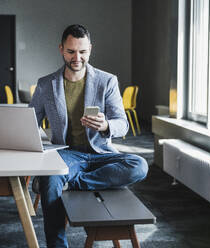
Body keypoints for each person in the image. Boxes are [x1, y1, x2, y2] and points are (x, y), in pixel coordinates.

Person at [29, 24, 148, 248]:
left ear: (90, 50)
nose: (77, 57)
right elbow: (29, 121)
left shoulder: (107, 81)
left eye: (82, 52)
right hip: (67, 154)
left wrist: (105, 126)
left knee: (139, 165)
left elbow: (122, 124)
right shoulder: (47, 84)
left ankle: (74, 182)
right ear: (61, 49)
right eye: (71, 51)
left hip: (101, 154)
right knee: (51, 179)